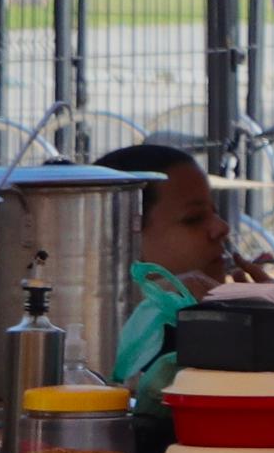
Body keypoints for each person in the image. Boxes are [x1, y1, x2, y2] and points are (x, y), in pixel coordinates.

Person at [94, 139, 228, 408]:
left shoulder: (220, 326)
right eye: (194, 218)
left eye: (215, 213)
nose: (221, 228)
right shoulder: (107, 352)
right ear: (124, 238)